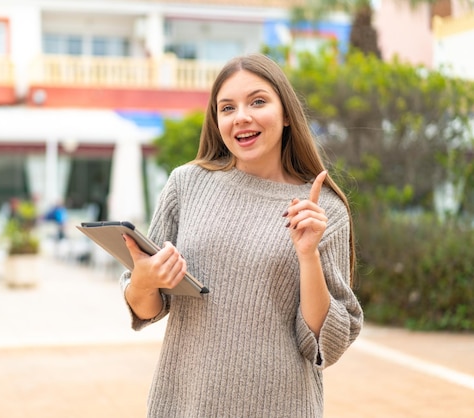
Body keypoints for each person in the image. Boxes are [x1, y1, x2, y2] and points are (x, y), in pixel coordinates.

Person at [120, 53, 363, 417]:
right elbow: (146, 308)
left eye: (258, 101)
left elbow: (322, 345)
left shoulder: (322, 209)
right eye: (227, 108)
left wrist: (308, 254)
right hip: (185, 404)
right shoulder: (186, 185)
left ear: (285, 115)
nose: (242, 117)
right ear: (216, 121)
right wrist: (143, 280)